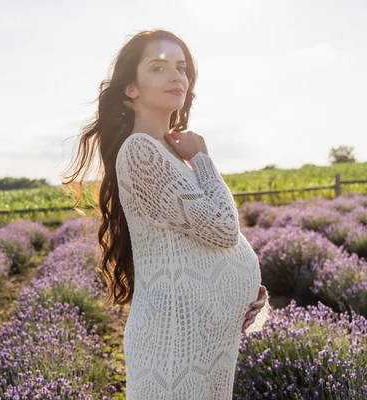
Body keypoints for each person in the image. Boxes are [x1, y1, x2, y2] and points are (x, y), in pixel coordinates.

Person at [61, 29, 270, 399]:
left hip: (205, 341)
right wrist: (203, 159)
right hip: (173, 346)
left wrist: (243, 297)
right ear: (131, 89)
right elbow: (222, 228)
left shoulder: (171, 155)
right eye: (159, 67)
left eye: (182, 67)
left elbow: (206, 244)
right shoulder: (141, 151)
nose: (177, 76)